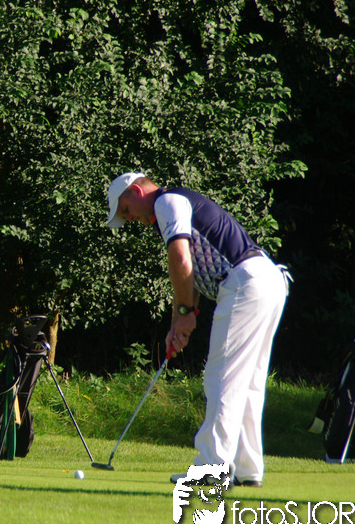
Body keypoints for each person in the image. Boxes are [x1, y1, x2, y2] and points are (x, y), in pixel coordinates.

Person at [104, 172, 289, 487]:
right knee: (248, 383)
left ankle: (212, 468)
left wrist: (185, 313)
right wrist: (179, 321)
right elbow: (195, 268)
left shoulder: (165, 202)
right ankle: (247, 470)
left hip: (245, 283)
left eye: (125, 210)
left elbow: (180, 258)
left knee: (221, 378)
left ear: (136, 191)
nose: (130, 219)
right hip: (267, 280)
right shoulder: (177, 201)